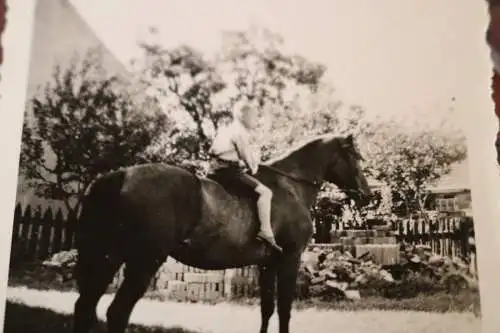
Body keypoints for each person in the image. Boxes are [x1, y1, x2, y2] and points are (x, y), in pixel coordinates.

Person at [208, 100, 283, 253]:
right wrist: (254, 166)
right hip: (228, 172)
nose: (256, 120)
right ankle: (266, 231)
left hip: (215, 170)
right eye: (254, 116)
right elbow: (248, 160)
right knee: (266, 192)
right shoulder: (240, 132)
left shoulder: (227, 129)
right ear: (243, 116)